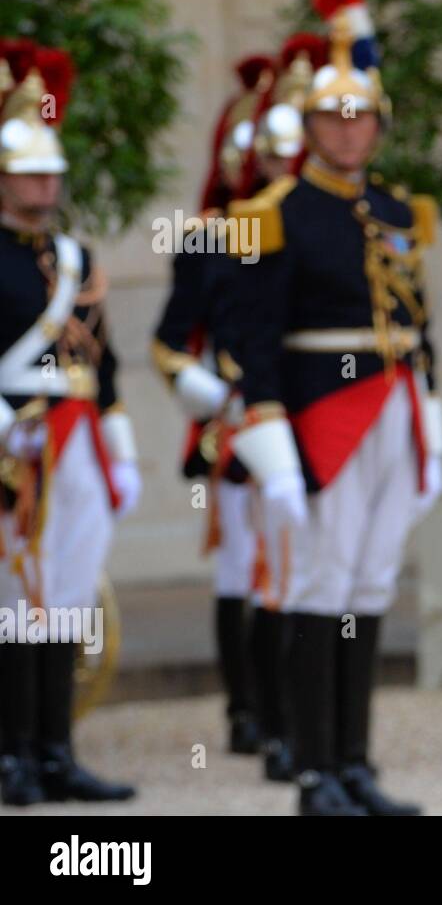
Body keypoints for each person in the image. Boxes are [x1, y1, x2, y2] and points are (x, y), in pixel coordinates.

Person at [225, 0, 442, 816]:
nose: (347, 130)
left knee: (372, 584)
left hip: (392, 405)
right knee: (323, 582)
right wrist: (271, 440)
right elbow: (253, 343)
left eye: (360, 117)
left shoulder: (392, 208)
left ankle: (355, 763)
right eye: (331, 117)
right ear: (309, 126)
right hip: (322, 413)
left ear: (376, 126)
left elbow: (415, 322)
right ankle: (314, 769)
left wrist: (427, 415)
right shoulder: (276, 212)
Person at [0, 40, 140, 805]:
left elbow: (103, 358)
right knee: (15, 602)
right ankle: (12, 752)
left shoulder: (75, 256)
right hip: (13, 439)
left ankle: (56, 749)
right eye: (29, 172)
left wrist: (118, 444)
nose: (44, 184)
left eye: (50, 171)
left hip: (77, 433)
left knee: (70, 591)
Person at [151, 52, 277, 766]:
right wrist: (214, 400)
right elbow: (171, 342)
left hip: (298, 418)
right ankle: (244, 711)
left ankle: (290, 709)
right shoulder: (207, 238)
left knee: (299, 570)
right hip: (233, 424)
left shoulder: (298, 224)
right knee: (239, 571)